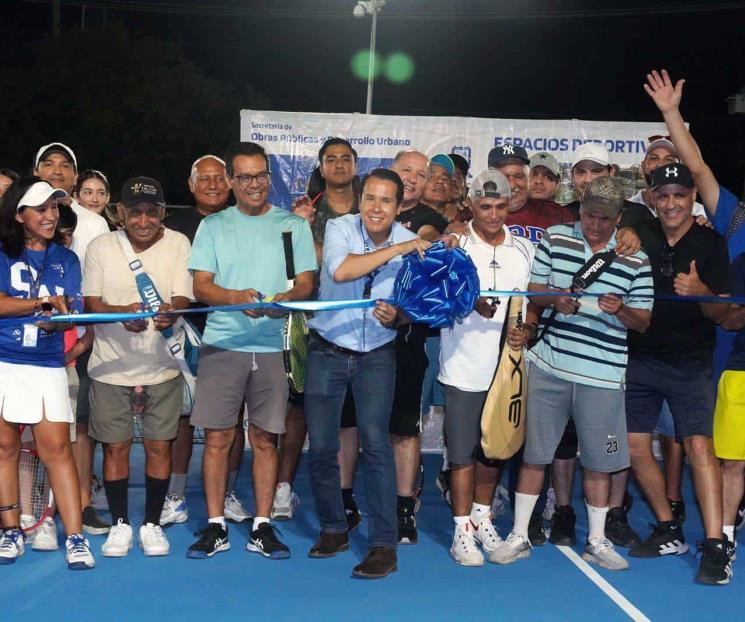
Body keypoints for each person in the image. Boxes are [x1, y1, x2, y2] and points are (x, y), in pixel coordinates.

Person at [494, 176, 652, 572]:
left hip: (603, 374)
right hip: (548, 365)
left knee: (600, 461)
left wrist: (622, 311)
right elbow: (534, 291)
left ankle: (596, 540)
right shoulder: (556, 238)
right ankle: (519, 533)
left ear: (619, 218)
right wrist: (555, 300)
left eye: (604, 218)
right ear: (579, 208)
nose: (594, 224)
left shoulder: (637, 258)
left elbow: (644, 322)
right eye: (588, 214)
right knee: (534, 456)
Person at [187, 141, 316, 560]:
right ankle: (215, 525)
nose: (255, 184)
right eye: (245, 177)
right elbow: (201, 285)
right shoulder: (213, 227)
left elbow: (306, 284)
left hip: (274, 346)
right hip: (223, 343)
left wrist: (284, 298)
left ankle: (262, 525)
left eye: (261, 175)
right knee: (219, 438)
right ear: (231, 181)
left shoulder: (292, 226)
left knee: (265, 439)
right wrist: (235, 296)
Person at [304, 168, 430, 578]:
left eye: (386, 201)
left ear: (398, 206)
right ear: (361, 201)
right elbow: (341, 272)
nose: (377, 208)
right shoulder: (341, 229)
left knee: (376, 447)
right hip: (327, 350)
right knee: (322, 448)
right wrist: (399, 249)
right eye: (370, 199)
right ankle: (333, 528)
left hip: (377, 354)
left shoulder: (411, 246)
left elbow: (416, 306)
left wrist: (399, 316)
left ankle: (382, 545)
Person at [625, 164, 732, 585]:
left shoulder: (710, 243)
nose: (671, 203)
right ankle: (669, 528)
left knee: (699, 449)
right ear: (652, 198)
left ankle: (715, 545)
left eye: (680, 195)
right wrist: (624, 235)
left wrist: (702, 292)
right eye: (663, 195)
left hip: (690, 362)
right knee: (635, 448)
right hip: (641, 358)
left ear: (693, 198)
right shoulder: (639, 236)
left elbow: (724, 315)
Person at [84, 176, 192, 557]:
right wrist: (119, 316)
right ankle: (119, 524)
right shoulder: (101, 246)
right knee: (114, 448)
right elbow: (91, 304)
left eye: (151, 212)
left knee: (159, 446)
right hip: (110, 366)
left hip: (162, 365)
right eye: (135, 212)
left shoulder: (179, 243)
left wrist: (169, 311)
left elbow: (182, 294)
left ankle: (150, 523)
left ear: (163, 213)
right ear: (120, 213)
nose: (143, 220)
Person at [439, 170, 535, 566]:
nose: (493, 214)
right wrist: (469, 304)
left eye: (499, 206)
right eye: (484, 206)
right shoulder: (456, 245)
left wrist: (526, 329)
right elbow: (437, 302)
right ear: (471, 205)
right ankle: (460, 529)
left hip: (507, 371)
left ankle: (482, 518)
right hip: (462, 366)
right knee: (461, 455)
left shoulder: (526, 250)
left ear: (509, 203)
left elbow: (533, 306)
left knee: (493, 451)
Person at [0, 177, 95, 569]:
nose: (50, 215)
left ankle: (75, 537)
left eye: (55, 208)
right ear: (19, 215)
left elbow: (67, 312)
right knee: (4, 449)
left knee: (58, 450)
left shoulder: (67, 259)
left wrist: (57, 321)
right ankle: (9, 531)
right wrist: (38, 303)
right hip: (4, 361)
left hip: (47, 364)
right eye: (41, 208)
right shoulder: (2, 253)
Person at [160, 155, 251, 527]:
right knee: (184, 416)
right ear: (191, 184)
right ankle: (176, 495)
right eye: (205, 179)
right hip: (183, 331)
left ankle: (227, 493)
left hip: (231, 329)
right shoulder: (173, 227)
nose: (213, 185)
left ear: (229, 182)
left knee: (231, 419)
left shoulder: (243, 220)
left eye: (219, 178)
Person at [274, 138, 360, 523]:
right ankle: (283, 489)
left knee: (350, 418)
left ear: (355, 166)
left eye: (345, 159)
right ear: (321, 168)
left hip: (359, 327)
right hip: (310, 326)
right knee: (298, 413)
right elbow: (295, 268)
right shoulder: (305, 212)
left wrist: (326, 251)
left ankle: (345, 494)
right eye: (331, 160)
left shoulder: (370, 209)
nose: (339, 165)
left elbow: (363, 262)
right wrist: (304, 230)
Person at [388, 150, 450, 543]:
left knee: (406, 426)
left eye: (419, 174)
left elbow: (428, 238)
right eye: (405, 171)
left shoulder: (431, 221)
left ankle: (405, 506)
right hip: (359, 340)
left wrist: (422, 241)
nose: (412, 178)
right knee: (359, 428)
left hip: (409, 338)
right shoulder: (367, 214)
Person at [33, 143, 109, 266]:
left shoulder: (96, 224)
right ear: (35, 173)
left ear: (75, 177)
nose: (57, 171)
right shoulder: (23, 217)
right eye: (49, 164)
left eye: (65, 165)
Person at [420, 154, 455, 220]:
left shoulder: (461, 220)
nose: (440, 181)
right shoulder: (406, 220)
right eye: (431, 177)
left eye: (445, 178)